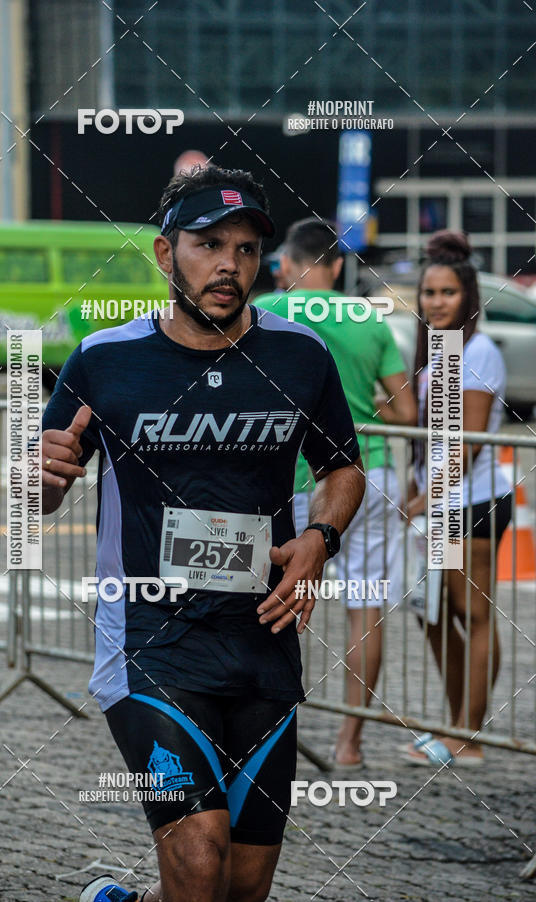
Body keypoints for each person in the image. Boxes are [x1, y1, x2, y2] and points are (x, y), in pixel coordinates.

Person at [41, 165, 365, 902]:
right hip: (150, 640)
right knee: (198, 856)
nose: (229, 265)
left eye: (247, 249)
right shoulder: (105, 359)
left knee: (239, 887)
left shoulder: (300, 355)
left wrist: (319, 538)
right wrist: (43, 476)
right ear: (164, 253)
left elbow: (343, 468)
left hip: (261, 643)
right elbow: (43, 487)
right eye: (209, 244)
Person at [255, 218, 416, 767]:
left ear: (289, 265)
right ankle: (350, 743)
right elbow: (409, 411)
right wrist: (362, 398)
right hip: (366, 473)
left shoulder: (269, 310)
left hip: (293, 477)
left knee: (282, 602)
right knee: (364, 607)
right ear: (338, 265)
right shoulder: (367, 319)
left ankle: (273, 734)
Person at [402, 229, 511, 766]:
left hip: (475, 505)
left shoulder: (481, 350)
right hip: (441, 507)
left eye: (448, 293)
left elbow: (465, 444)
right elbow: (430, 437)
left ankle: (468, 737)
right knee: (436, 613)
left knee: (474, 612)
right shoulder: (436, 350)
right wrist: (414, 488)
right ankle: (455, 727)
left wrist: (422, 502)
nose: (437, 302)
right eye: (429, 293)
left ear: (468, 296)